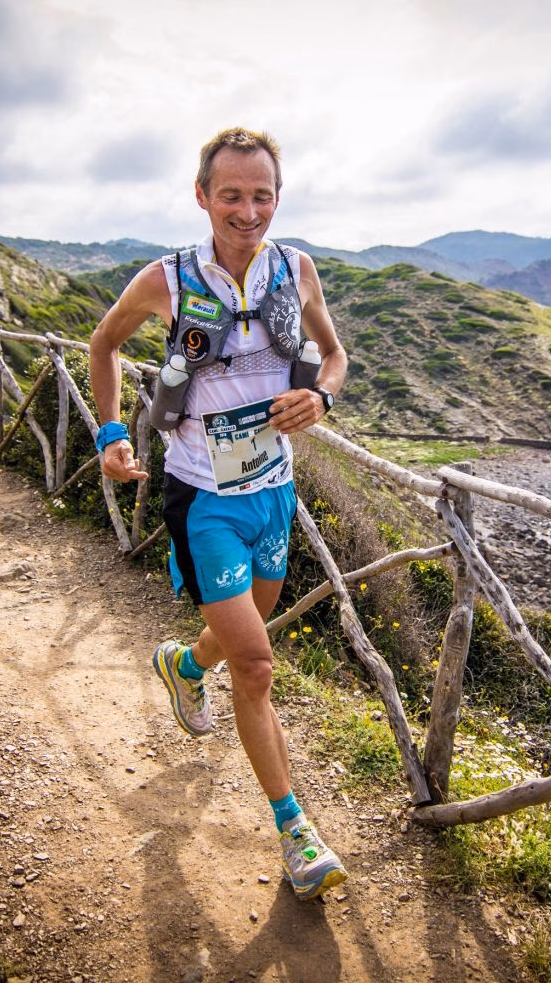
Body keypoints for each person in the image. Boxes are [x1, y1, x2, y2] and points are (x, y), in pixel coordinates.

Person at [89, 128, 350, 900]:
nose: (247, 210)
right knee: (259, 664)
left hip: (274, 493)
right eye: (230, 195)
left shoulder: (295, 267)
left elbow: (335, 355)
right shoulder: (165, 279)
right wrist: (109, 434)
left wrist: (323, 395)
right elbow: (103, 344)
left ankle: (183, 664)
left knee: (244, 639)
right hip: (202, 498)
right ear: (202, 196)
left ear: (279, 196)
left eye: (261, 194)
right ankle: (296, 831)